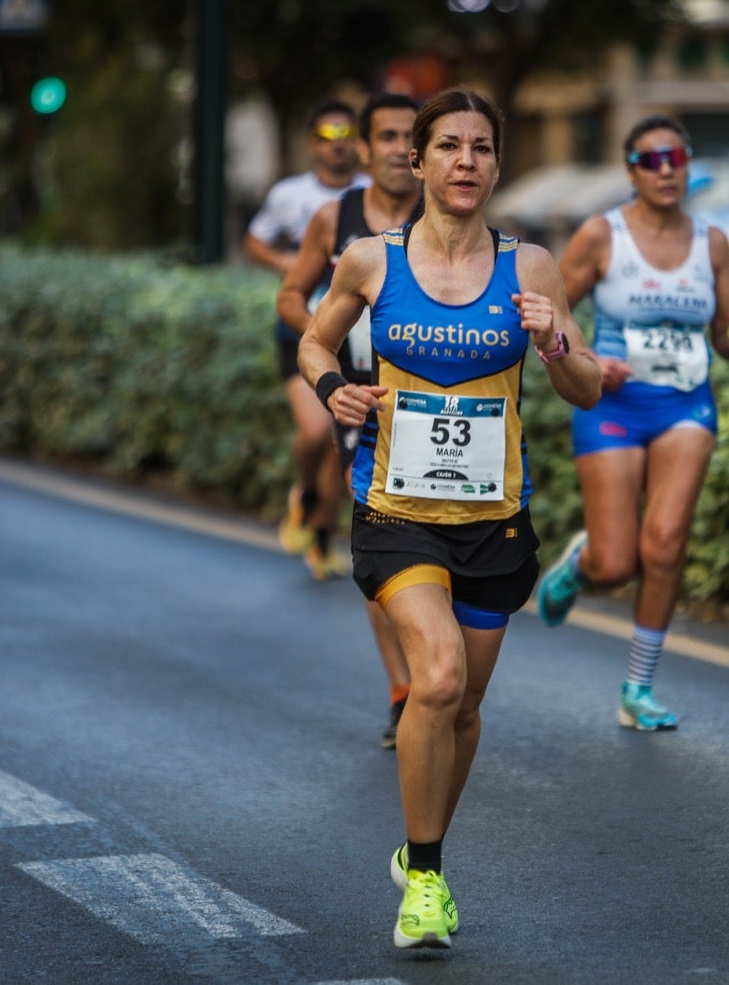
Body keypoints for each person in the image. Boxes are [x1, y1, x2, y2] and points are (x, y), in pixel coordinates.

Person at [299, 88, 600, 950]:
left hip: (493, 517)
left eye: (480, 148)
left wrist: (552, 342)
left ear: (496, 165)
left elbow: (583, 387)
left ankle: (418, 847)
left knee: (463, 706)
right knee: (433, 679)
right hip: (395, 509)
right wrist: (334, 392)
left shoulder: (531, 267)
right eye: (448, 146)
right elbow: (314, 340)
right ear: (418, 161)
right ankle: (426, 880)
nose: (465, 161)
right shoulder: (370, 260)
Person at [535, 115, 729, 730]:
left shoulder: (713, 242)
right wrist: (586, 359)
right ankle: (583, 564)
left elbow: (725, 337)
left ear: (689, 165)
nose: (666, 170)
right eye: (651, 160)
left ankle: (638, 689)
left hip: (685, 403)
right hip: (612, 405)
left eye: (676, 158)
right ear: (631, 171)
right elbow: (552, 312)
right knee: (618, 564)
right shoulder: (600, 237)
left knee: (664, 544)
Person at [277, 92, 420, 749]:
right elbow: (290, 293)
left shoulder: (449, 213)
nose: (398, 148)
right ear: (365, 149)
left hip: (436, 403)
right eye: (385, 137)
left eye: (409, 137)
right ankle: (403, 692)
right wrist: (327, 349)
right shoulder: (335, 218)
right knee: (379, 547)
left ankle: (437, 677)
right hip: (360, 400)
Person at [242, 99, 369, 564]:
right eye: (328, 137)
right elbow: (254, 238)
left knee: (344, 444)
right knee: (317, 433)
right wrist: (280, 261)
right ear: (312, 144)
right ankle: (304, 489)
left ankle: (319, 535)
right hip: (301, 325)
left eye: (346, 136)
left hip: (358, 333)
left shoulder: (373, 193)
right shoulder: (289, 194)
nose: (338, 147)